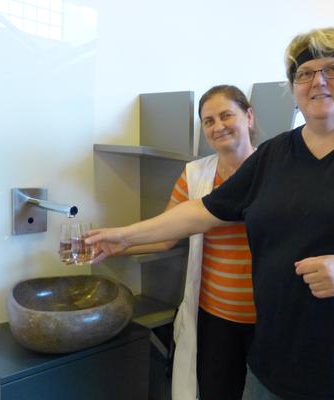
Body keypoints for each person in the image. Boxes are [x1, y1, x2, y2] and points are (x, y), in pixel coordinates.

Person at [87, 27, 334, 400]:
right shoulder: (274, 155)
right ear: (294, 88)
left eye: (333, 68)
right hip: (273, 361)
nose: (317, 81)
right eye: (304, 73)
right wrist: (123, 236)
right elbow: (202, 211)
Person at [90, 85, 257, 400]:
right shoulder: (195, 175)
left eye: (226, 115)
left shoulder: (274, 170)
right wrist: (118, 245)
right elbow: (167, 235)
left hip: (267, 318)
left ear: (248, 117)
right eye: (208, 121)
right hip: (213, 316)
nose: (218, 126)